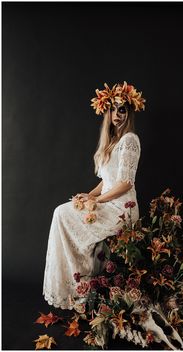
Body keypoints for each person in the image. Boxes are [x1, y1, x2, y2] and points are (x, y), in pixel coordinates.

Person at [42, 81, 146, 309]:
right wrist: (88, 195)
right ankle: (75, 288)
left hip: (121, 208)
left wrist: (96, 200)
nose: (117, 114)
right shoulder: (112, 142)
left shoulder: (129, 140)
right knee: (62, 212)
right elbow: (106, 181)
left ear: (128, 114)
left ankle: (83, 285)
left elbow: (125, 184)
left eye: (122, 110)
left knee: (62, 213)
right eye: (113, 109)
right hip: (107, 201)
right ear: (107, 111)